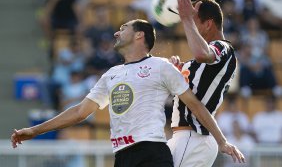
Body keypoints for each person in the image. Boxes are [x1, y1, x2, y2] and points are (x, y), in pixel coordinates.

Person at [11, 19, 244, 167]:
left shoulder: (161, 67)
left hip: (152, 152)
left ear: (139, 35)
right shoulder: (111, 74)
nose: (116, 33)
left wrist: (222, 141)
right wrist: (35, 130)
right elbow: (80, 112)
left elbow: (194, 104)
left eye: (123, 28)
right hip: (122, 156)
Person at [167, 0, 242, 167]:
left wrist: (186, 18)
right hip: (187, 138)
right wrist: (177, 72)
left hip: (193, 137)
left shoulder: (224, 48)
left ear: (208, 24)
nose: (188, 26)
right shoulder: (203, 61)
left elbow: (202, 54)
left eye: (194, 22)